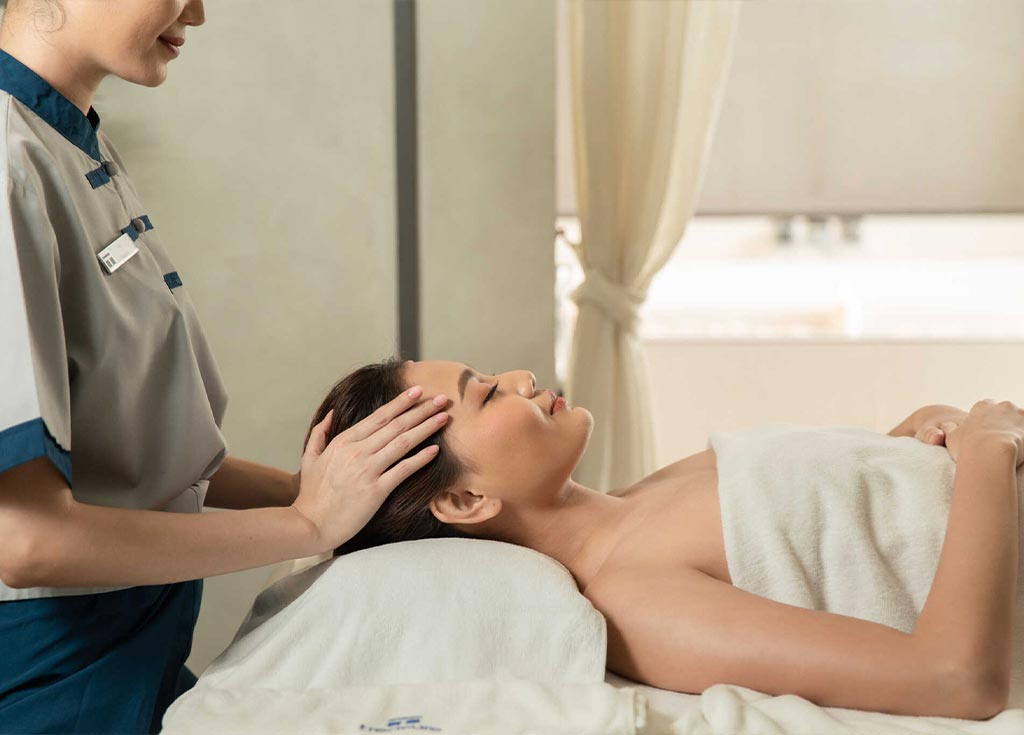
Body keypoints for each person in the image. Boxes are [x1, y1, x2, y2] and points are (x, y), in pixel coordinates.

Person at [0, 2, 448, 732]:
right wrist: (306, 521)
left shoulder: (73, 143)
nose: (198, 12)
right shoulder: (9, 164)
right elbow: (24, 539)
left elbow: (133, 454)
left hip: (129, 652)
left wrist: (324, 491)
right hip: (49, 677)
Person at [309, 356, 1023, 721]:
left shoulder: (646, 495)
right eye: (488, 393)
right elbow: (954, 678)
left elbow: (854, 502)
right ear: (465, 499)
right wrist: (987, 455)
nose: (521, 376)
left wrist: (938, 423)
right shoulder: (640, 600)